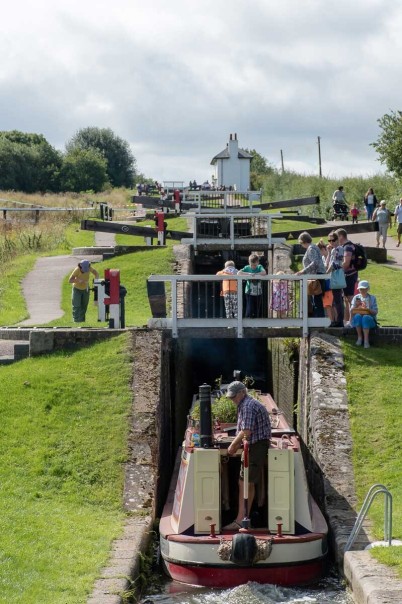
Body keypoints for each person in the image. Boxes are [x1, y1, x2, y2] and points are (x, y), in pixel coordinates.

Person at [224, 381, 271, 530]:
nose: (232, 400)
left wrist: (232, 446)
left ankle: (241, 520)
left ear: (242, 393)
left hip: (256, 446)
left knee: (246, 482)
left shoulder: (248, 406)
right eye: (231, 398)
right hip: (253, 445)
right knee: (244, 482)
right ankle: (242, 517)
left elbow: (246, 431)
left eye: (234, 397)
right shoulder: (246, 404)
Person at [296, 232, 326, 318]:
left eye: (300, 243)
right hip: (317, 275)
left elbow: (315, 263)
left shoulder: (311, 249)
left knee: (317, 300)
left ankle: (319, 320)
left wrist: (303, 271)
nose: (301, 245)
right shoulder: (314, 247)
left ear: (303, 241)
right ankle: (319, 319)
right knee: (317, 299)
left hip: (316, 276)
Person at [334, 228, 358, 326]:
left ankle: (354, 321)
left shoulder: (347, 247)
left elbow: (346, 263)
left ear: (341, 236)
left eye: (336, 237)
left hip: (349, 275)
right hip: (347, 275)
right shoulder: (346, 246)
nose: (335, 240)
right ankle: (347, 321)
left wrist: (336, 269)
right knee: (346, 299)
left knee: (350, 298)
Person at [350, 280, 378, 348]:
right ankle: (359, 338)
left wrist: (368, 310)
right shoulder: (356, 297)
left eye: (364, 288)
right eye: (360, 289)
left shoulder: (372, 298)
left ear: (368, 288)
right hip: (358, 320)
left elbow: (375, 311)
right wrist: (356, 306)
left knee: (365, 317)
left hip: (369, 319)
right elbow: (351, 310)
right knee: (357, 316)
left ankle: (366, 340)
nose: (362, 290)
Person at [238, 254, 267, 318]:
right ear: (249, 262)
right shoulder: (247, 267)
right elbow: (239, 273)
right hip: (249, 292)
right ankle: (248, 322)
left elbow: (264, 272)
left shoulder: (259, 267)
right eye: (252, 265)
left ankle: (255, 324)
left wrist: (256, 274)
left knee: (257, 309)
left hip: (258, 292)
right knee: (249, 308)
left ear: (258, 263)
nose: (253, 266)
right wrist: (249, 274)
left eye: (255, 265)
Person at [326, 231, 344, 327]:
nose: (331, 242)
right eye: (329, 240)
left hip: (336, 275)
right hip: (334, 275)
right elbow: (328, 262)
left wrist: (327, 272)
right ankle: (338, 320)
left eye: (333, 240)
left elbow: (334, 264)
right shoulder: (334, 250)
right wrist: (328, 252)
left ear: (337, 240)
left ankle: (339, 321)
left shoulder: (338, 249)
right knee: (336, 299)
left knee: (337, 299)